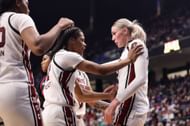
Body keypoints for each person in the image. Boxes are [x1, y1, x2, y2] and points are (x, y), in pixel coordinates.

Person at [42, 26, 143, 126]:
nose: (85, 45)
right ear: (72, 40)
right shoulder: (64, 56)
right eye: (82, 40)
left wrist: (117, 108)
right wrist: (128, 60)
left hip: (73, 116)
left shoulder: (77, 72)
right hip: (60, 112)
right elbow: (101, 70)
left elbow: (91, 101)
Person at [0, 0, 74, 125]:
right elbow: (38, 46)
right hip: (17, 89)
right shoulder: (19, 18)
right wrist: (59, 26)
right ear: (17, 2)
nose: (28, 2)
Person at [104, 18, 149, 126]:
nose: (113, 38)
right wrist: (119, 86)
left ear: (124, 31)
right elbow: (102, 68)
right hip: (131, 108)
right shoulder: (126, 52)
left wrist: (114, 103)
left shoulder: (135, 45)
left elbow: (140, 79)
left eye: (114, 33)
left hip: (130, 108)